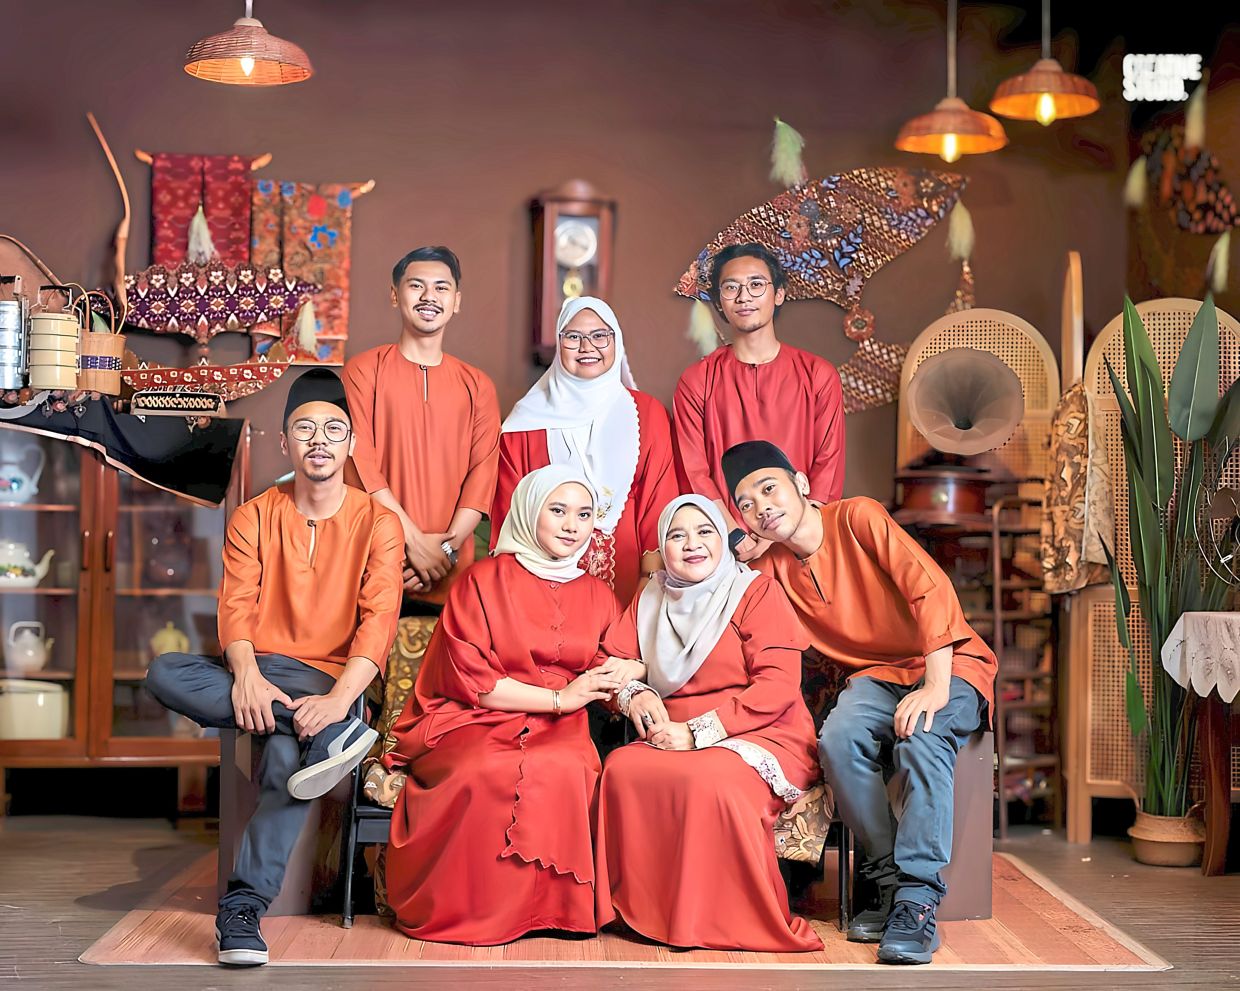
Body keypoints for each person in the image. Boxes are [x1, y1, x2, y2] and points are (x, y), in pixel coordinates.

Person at [145, 368, 403, 967]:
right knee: (163, 671)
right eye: (305, 428)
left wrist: (340, 703)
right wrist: (246, 675)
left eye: (333, 429)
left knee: (286, 757)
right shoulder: (254, 515)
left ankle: (241, 909)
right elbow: (235, 605)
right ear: (285, 441)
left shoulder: (378, 521)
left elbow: (380, 618)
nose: (319, 440)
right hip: (260, 671)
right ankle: (326, 737)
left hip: (335, 680)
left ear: (351, 445)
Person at [722, 440, 996, 965]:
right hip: (875, 677)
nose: (760, 506)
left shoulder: (858, 517)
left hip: (950, 661)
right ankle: (886, 881)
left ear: (801, 483)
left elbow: (930, 590)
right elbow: (713, 570)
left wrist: (935, 686)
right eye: (746, 503)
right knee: (837, 739)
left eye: (769, 488)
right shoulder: (772, 566)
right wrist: (739, 540)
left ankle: (916, 901)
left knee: (922, 735)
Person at [384, 465, 633, 945]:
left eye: (584, 514)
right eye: (557, 510)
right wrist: (561, 698)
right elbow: (472, 679)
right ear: (527, 512)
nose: (571, 524)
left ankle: (555, 912)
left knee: (566, 768)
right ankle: (480, 913)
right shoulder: (480, 581)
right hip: (470, 717)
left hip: (562, 728)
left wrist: (634, 676)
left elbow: (615, 661)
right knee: (483, 771)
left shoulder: (599, 595)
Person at [593, 494, 822, 952]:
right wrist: (633, 694)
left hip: (762, 733)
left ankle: (711, 921)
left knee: (708, 780)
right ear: (663, 546)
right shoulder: (652, 595)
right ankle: (640, 913)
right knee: (621, 767)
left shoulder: (756, 592)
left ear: (724, 540)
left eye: (704, 532)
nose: (691, 544)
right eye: (677, 535)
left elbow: (777, 687)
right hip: (671, 736)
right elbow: (610, 660)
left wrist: (698, 733)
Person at [343, 245, 500, 608]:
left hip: (450, 566)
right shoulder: (364, 370)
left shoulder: (478, 385)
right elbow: (359, 464)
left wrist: (445, 549)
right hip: (378, 554)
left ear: (457, 301)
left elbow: (483, 474)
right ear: (395, 294)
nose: (430, 297)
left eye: (442, 288)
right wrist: (412, 543)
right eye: (417, 286)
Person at [493, 296, 678, 605]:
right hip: (540, 580)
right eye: (573, 337)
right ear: (558, 343)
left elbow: (659, 498)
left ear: (616, 342)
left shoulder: (647, 413)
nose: (587, 347)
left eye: (600, 336)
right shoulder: (523, 424)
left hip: (633, 582)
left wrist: (650, 585)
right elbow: (510, 510)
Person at [672, 242, 846, 561]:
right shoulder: (697, 381)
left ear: (778, 294)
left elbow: (827, 469)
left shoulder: (818, 375)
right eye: (731, 287)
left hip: (804, 545)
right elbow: (693, 471)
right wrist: (736, 536)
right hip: (728, 548)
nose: (744, 297)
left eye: (756, 285)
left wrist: (784, 532)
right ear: (719, 302)